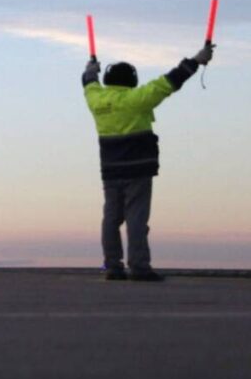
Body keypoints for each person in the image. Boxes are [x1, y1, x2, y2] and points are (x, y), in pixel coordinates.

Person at [82, 43, 214, 281]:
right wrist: (197, 60)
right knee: (136, 219)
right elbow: (170, 82)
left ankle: (112, 266)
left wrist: (90, 69)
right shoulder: (137, 98)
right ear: (131, 81)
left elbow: (89, 83)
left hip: (110, 171)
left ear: (109, 80)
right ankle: (139, 267)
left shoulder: (96, 101)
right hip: (138, 169)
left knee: (111, 218)